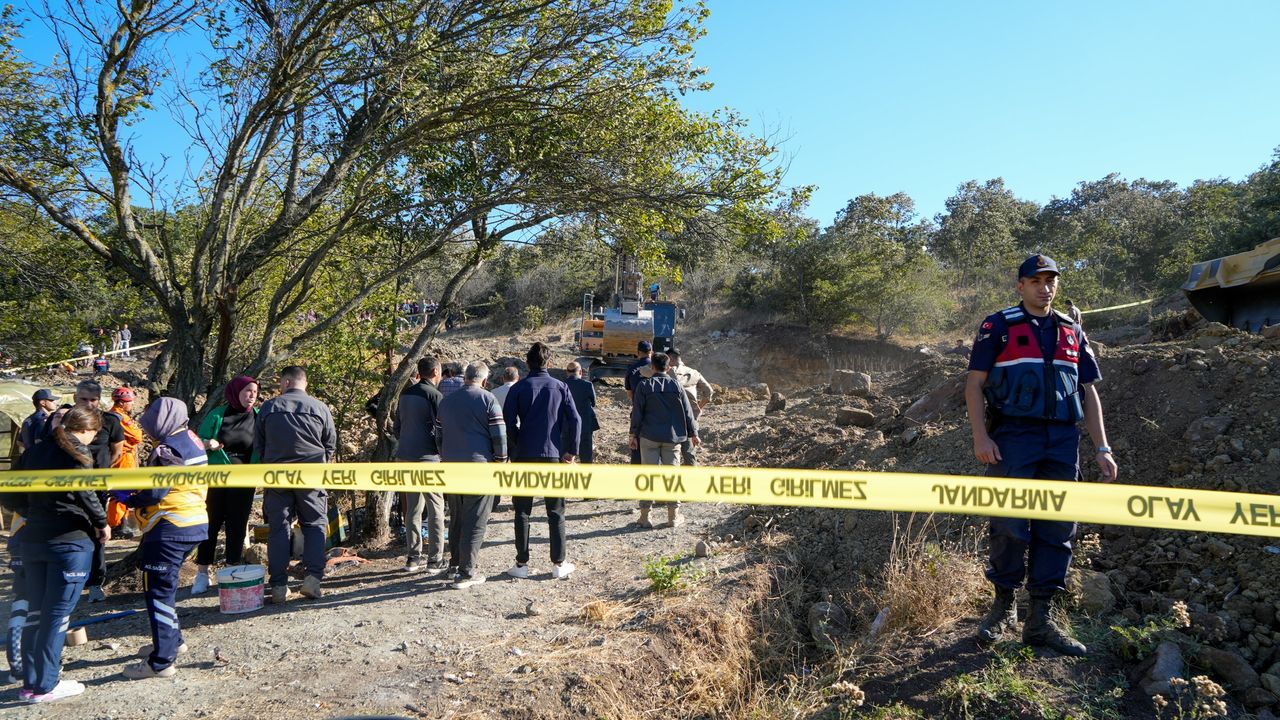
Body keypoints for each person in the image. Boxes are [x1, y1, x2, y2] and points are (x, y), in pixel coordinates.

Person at [966, 254, 1117, 657]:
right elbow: (974, 384)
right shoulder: (998, 325)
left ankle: (1040, 621)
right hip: (1013, 436)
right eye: (1035, 281)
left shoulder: (1071, 330)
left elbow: (1088, 391)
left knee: (1058, 527)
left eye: (1051, 281)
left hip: (1062, 440)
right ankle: (1003, 607)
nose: (1044, 288)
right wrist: (981, 437)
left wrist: (1101, 447)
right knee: (1009, 522)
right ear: (1021, 286)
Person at [4, 405, 109, 703]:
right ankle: (46, 685)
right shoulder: (77, 452)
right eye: (93, 434)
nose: (93, 439)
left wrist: (34, 513)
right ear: (87, 430)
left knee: (36, 612)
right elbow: (86, 493)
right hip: (70, 543)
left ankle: (30, 683)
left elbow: (8, 494)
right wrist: (101, 522)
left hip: (33, 540)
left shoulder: (34, 452)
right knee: (56, 615)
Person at [116, 397, 209, 679]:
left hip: (169, 525)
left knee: (157, 591)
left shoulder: (167, 448)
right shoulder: (191, 439)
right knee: (165, 588)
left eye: (150, 424)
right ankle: (172, 641)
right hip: (194, 522)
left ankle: (161, 661)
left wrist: (129, 498)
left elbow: (157, 492)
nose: (147, 431)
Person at [255, 366, 337, 603]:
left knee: (279, 528)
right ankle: (312, 579)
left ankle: (279, 586)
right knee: (314, 525)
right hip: (311, 476)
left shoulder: (269, 407)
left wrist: (270, 463)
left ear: (287, 382)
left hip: (277, 477)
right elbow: (330, 444)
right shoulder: (320, 408)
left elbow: (259, 444)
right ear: (304, 384)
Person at [503, 343, 581, 580]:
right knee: (555, 511)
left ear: (527, 363)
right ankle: (558, 563)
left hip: (524, 455)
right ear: (549, 363)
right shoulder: (560, 386)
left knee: (522, 511)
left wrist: (518, 443)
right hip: (553, 454)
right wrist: (571, 451)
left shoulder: (518, 388)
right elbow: (575, 420)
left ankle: (521, 563)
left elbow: (507, 422)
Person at [435, 362, 506, 590]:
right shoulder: (488, 399)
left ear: (465, 377)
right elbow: (499, 435)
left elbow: (438, 435)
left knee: (457, 517)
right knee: (475, 520)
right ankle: (466, 573)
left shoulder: (446, 402)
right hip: (479, 468)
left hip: (451, 468)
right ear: (484, 380)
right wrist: (501, 461)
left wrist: (445, 456)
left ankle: (455, 564)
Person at [191, 376, 260, 594]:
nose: (252, 396)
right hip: (216, 479)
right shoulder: (217, 415)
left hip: (244, 480)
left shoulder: (258, 416)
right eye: (247, 391)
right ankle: (203, 573)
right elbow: (196, 442)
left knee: (237, 525)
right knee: (210, 524)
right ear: (236, 392)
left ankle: (232, 570)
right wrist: (207, 443)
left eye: (255, 392)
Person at [629, 352, 699, 528]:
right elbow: (687, 411)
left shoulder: (644, 386)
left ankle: (645, 517)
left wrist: (633, 435)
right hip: (672, 438)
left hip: (648, 437)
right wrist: (693, 433)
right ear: (668, 368)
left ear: (652, 367)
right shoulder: (676, 385)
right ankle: (673, 517)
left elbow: (637, 413)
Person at [394, 357, 448, 574]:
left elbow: (397, 427)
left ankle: (413, 558)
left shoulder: (405, 394)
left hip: (405, 456)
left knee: (413, 509)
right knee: (436, 508)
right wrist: (442, 453)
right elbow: (442, 429)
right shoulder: (435, 395)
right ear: (435, 372)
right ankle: (435, 560)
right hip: (428, 458)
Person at [74, 380, 123, 603]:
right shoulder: (65, 419)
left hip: (98, 486)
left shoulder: (110, 421)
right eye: (83, 399)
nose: (88, 404)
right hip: (69, 487)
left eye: (93, 399)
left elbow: (117, 451)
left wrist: (102, 471)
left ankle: (96, 582)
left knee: (99, 532)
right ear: (75, 398)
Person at [108, 387, 144, 539]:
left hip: (124, 457)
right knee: (122, 491)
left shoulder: (113, 415)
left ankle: (120, 523)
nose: (132, 404)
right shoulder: (120, 417)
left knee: (122, 491)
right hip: (123, 458)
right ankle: (117, 525)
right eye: (130, 402)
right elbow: (137, 436)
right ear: (121, 403)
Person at [665, 349, 712, 467]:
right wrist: (698, 408)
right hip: (690, 417)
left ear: (670, 358)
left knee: (670, 454)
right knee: (689, 453)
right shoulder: (694, 372)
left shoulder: (667, 373)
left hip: (671, 418)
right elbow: (709, 391)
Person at [624, 340, 653, 465]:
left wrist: (636, 403)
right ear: (651, 352)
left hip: (638, 412)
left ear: (638, 352)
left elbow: (629, 392)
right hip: (656, 412)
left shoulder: (631, 369)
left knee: (636, 444)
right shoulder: (657, 368)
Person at [564, 362, 598, 464]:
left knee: (565, 458)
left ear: (567, 372)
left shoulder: (561, 385)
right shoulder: (587, 385)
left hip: (566, 426)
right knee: (586, 457)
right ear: (580, 372)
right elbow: (594, 403)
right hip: (585, 425)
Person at [18, 389, 58, 457]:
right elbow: (39, 442)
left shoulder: (28, 419)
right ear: (43, 403)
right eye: (51, 400)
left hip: (29, 458)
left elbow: (20, 442)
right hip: (42, 458)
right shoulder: (44, 420)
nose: (56, 403)